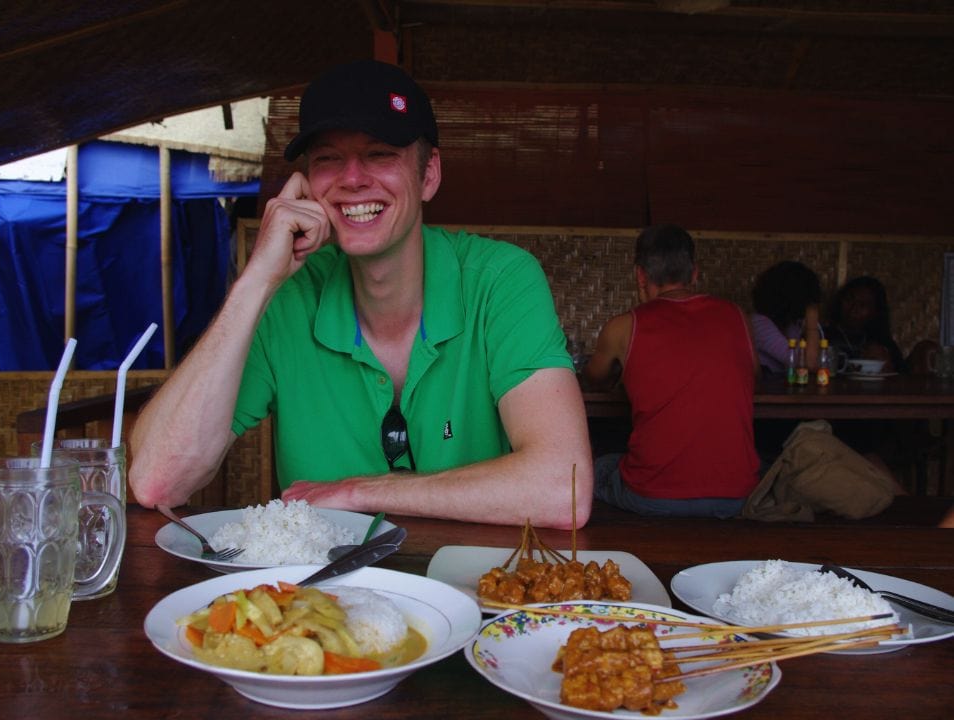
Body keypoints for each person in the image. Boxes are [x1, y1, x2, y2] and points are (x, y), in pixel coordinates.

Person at [128, 60, 592, 529]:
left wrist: (358, 491)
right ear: (306, 183)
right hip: (323, 598)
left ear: (428, 174)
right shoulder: (286, 298)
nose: (352, 178)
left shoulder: (499, 281)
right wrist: (256, 282)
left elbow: (562, 489)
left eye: (380, 153)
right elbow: (157, 482)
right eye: (328, 158)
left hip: (472, 591)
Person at [581, 224, 760, 518]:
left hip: (652, 496)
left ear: (640, 275)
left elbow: (593, 379)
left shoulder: (624, 326)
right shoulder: (736, 316)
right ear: (694, 273)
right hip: (736, 496)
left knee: (599, 464)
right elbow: (754, 378)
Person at [749, 260, 822, 375]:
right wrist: (812, 323)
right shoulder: (759, 324)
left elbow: (819, 364)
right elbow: (808, 364)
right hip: (764, 392)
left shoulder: (791, 326)